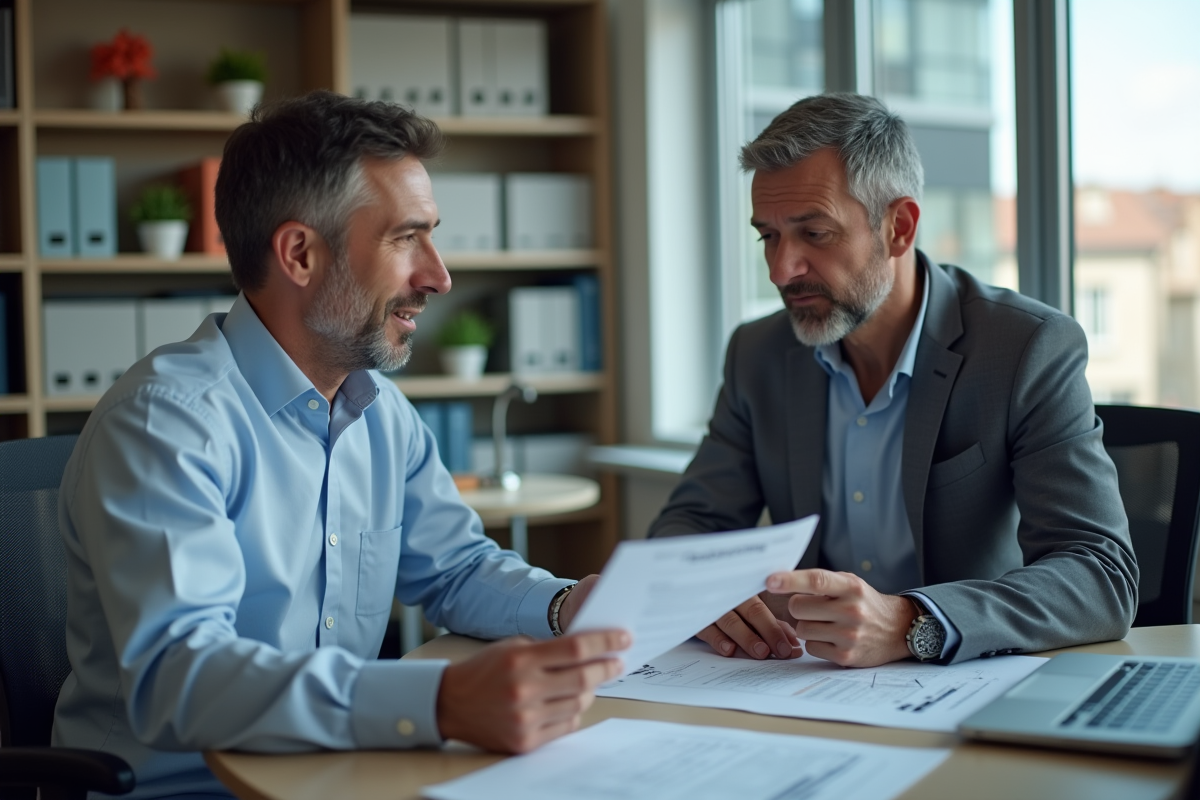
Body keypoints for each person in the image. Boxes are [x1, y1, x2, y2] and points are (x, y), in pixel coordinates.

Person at [51, 91, 628, 799]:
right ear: (299, 253)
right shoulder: (166, 424)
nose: (438, 277)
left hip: (342, 774)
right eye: (404, 238)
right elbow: (182, 676)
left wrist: (565, 606)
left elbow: (455, 570)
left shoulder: (381, 411)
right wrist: (439, 701)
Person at [649, 92, 1138, 669]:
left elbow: (1100, 575)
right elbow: (688, 527)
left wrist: (912, 623)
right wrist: (706, 597)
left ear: (899, 228)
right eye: (769, 236)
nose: (782, 269)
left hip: (973, 683)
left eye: (815, 233)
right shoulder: (758, 353)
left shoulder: (1025, 348)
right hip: (807, 688)